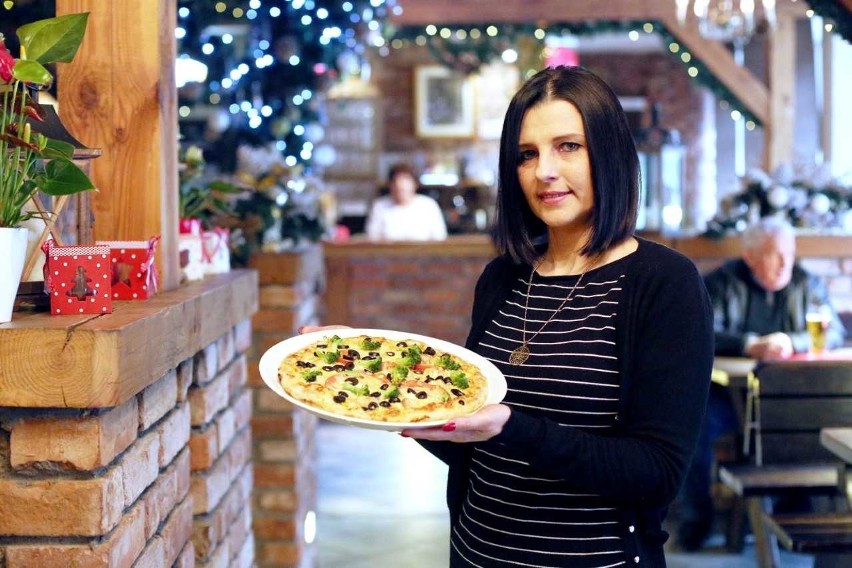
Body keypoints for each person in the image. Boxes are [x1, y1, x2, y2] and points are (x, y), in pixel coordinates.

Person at [310, 65, 714, 567]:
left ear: (607, 152)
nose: (544, 170)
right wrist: (380, 386)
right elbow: (475, 446)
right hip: (476, 555)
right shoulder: (505, 277)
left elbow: (656, 472)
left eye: (568, 146)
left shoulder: (664, 283)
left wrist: (511, 426)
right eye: (527, 154)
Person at [676, 215, 846, 551]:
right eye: (775, 254)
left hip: (783, 396)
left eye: (790, 253)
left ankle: (796, 515)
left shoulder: (805, 283)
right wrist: (748, 344)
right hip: (723, 395)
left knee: (810, 421)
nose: (786, 262)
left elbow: (835, 332)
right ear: (751, 257)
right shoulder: (722, 282)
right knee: (692, 429)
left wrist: (790, 340)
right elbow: (696, 331)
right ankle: (696, 521)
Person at [364, 163, 448, 241]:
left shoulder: (428, 205)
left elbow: (440, 239)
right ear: (390, 185)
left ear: (414, 183)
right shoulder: (380, 206)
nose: (400, 185)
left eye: (405, 180)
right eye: (395, 181)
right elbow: (372, 239)